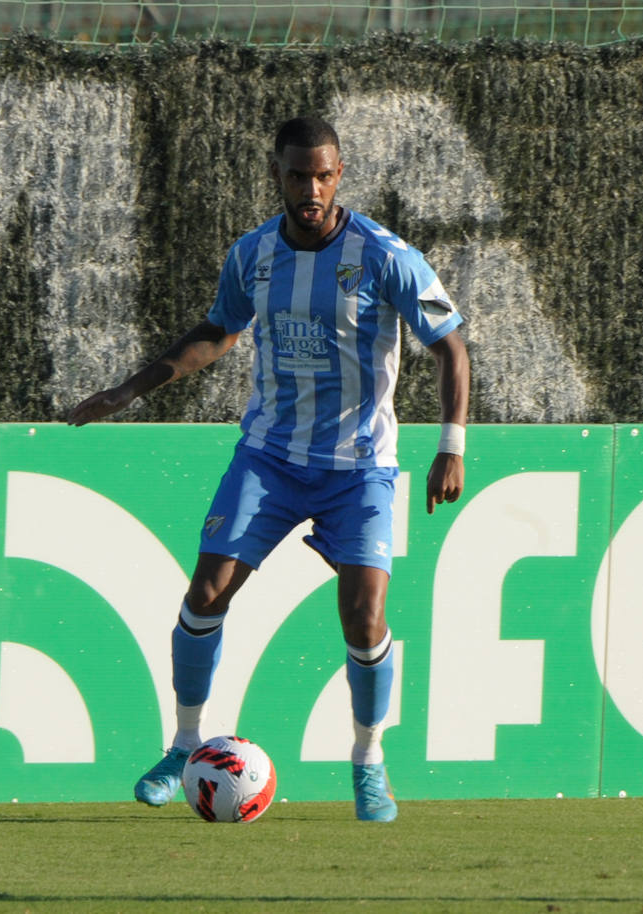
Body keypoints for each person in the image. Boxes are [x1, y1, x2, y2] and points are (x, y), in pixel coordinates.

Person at [67, 115, 470, 822]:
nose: (309, 188)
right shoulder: (253, 254)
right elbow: (216, 333)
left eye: (322, 175)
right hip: (270, 458)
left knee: (364, 613)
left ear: (339, 174)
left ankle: (369, 760)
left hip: (360, 467)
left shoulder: (384, 254)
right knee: (206, 592)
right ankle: (185, 746)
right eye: (296, 175)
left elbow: (450, 345)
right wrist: (128, 390)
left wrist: (451, 445)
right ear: (278, 175)